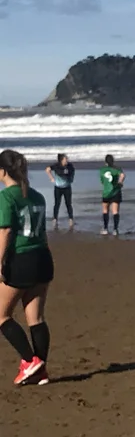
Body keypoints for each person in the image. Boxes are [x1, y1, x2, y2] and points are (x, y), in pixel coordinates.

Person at [0, 150, 54, 386]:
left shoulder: (6, 196)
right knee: (36, 318)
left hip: (21, 260)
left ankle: (30, 361)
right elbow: (42, 232)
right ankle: (41, 371)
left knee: (2, 315)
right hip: (42, 258)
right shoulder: (37, 196)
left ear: (3, 171)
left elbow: (5, 231)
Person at [45, 153, 75, 231]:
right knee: (57, 204)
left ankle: (71, 219)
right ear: (61, 160)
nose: (67, 160)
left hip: (67, 187)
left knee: (68, 204)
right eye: (65, 159)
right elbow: (47, 169)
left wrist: (71, 179)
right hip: (58, 187)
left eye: (67, 159)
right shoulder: (56, 166)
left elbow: (73, 171)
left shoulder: (70, 166)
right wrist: (51, 178)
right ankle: (55, 219)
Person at [99, 154, 125, 236]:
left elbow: (102, 182)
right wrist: (120, 182)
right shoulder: (117, 169)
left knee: (105, 210)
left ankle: (105, 228)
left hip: (106, 192)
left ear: (105, 162)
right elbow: (122, 175)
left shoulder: (102, 170)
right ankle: (115, 229)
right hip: (115, 191)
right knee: (115, 211)